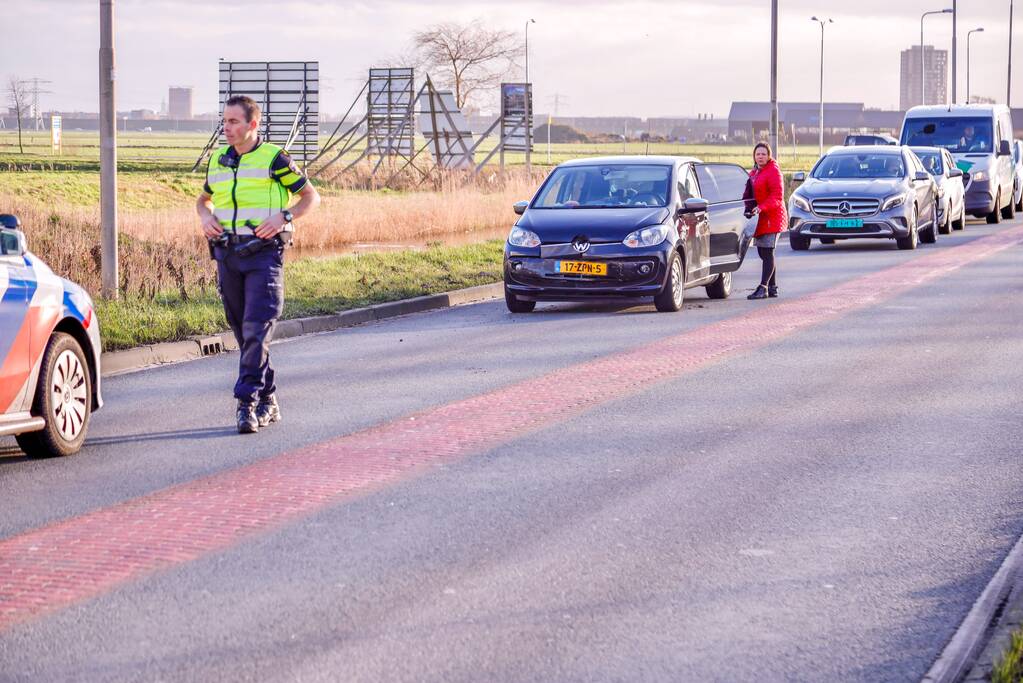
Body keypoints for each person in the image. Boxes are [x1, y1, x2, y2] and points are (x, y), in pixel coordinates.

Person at [196, 95, 320, 434]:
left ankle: (246, 403)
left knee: (256, 329)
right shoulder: (219, 161)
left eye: (234, 121)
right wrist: (205, 216)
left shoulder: (274, 158)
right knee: (244, 333)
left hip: (264, 255)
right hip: (226, 256)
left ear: (253, 125)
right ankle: (269, 398)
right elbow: (202, 199)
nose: (227, 127)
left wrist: (284, 216)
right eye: (224, 121)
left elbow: (311, 196)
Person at [746, 142, 787, 300]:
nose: (760, 156)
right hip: (760, 217)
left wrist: (761, 207)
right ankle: (773, 287)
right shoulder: (754, 172)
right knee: (763, 253)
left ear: (769, 156)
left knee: (767, 252)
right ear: (754, 156)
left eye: (763, 154)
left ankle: (763, 287)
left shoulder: (773, 171)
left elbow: (777, 196)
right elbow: (748, 192)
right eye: (758, 154)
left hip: (773, 218)